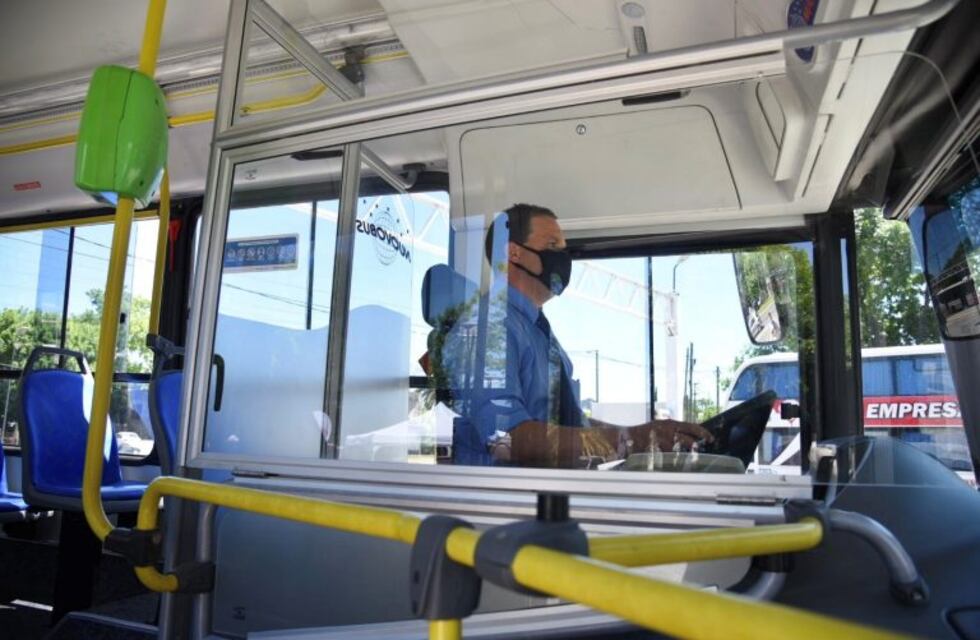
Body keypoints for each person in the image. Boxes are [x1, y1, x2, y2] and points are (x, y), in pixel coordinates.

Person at [440, 203, 711, 467]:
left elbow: (570, 425)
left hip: (546, 500)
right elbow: (506, 439)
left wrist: (642, 436)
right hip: (503, 506)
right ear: (513, 253)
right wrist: (630, 441)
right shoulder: (489, 327)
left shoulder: (537, 332)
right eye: (552, 246)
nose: (563, 256)